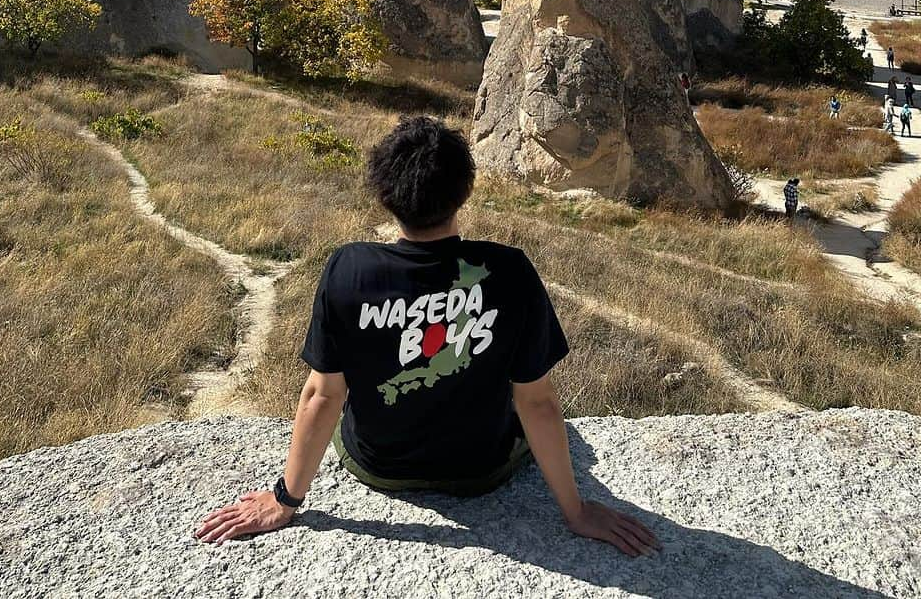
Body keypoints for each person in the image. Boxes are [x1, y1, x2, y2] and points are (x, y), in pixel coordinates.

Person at [195, 117, 659, 556]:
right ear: (465, 191)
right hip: (482, 470)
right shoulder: (509, 270)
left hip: (379, 467)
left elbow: (322, 395)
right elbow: (536, 403)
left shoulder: (349, 268)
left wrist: (285, 500)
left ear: (385, 196)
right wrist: (576, 511)